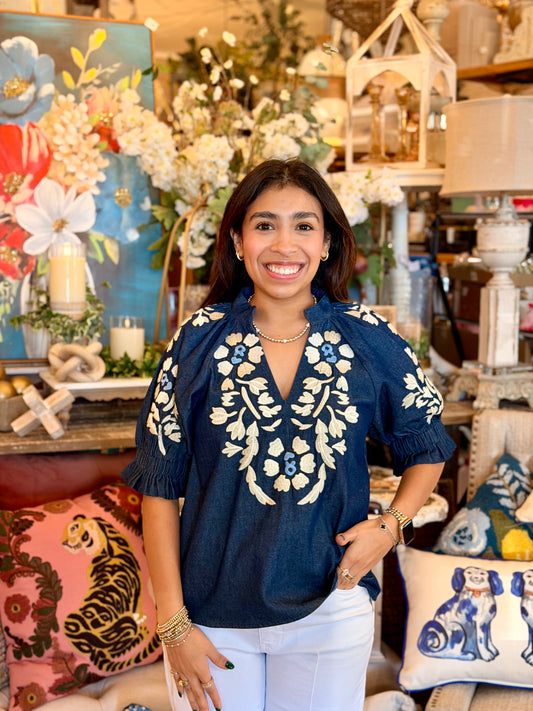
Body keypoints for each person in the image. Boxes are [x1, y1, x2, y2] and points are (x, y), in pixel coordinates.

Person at [122, 158, 455, 711]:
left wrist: (391, 526)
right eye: (264, 225)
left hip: (332, 608)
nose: (284, 244)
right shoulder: (197, 342)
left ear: (327, 243)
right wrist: (173, 625)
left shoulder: (366, 337)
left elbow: (427, 443)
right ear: (237, 241)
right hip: (209, 615)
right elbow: (158, 488)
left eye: (303, 225)